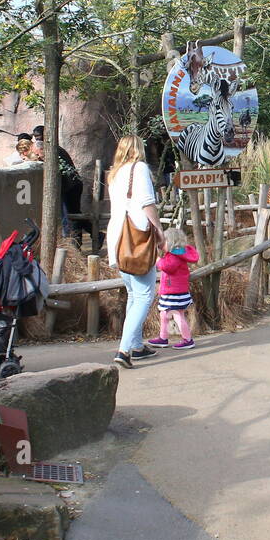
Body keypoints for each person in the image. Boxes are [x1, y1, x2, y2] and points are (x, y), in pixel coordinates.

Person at [104, 135, 166, 370]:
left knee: (133, 292)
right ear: (138, 149)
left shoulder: (115, 173)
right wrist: (160, 233)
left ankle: (137, 346)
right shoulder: (139, 168)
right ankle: (124, 349)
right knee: (144, 295)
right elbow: (147, 203)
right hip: (137, 235)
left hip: (117, 236)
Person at [146, 227, 198, 350]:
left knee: (177, 315)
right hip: (174, 292)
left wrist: (157, 259)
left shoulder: (174, 256)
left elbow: (167, 267)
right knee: (164, 314)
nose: (160, 245)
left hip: (174, 292)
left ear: (170, 242)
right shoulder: (176, 254)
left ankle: (187, 340)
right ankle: (163, 338)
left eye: (163, 242)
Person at [33, 125, 84, 236]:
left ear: (45, 135)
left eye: (38, 136)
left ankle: (78, 240)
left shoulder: (54, 150)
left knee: (73, 214)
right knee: (73, 214)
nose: (37, 139)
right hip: (70, 185)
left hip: (72, 185)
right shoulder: (52, 149)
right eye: (35, 137)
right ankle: (86, 237)